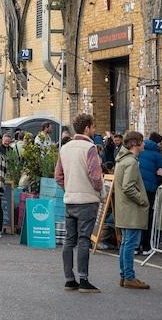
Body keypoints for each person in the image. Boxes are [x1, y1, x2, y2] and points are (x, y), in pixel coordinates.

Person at [55, 113, 103, 293]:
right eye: (93, 126)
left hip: (70, 199)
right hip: (87, 200)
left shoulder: (65, 148)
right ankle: (83, 279)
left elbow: (58, 176)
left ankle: (69, 279)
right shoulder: (89, 148)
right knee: (84, 239)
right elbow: (95, 176)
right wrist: (98, 190)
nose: (94, 129)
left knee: (69, 240)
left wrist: (68, 188)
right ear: (87, 127)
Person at [113, 131, 151, 290]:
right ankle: (129, 276)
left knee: (125, 243)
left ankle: (124, 275)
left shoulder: (122, 160)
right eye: (142, 142)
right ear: (135, 144)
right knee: (130, 244)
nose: (144, 145)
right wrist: (143, 200)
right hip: (132, 209)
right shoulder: (132, 162)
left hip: (124, 208)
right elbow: (128, 187)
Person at [138, 132, 162, 254]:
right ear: (159, 142)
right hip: (150, 189)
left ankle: (135, 246)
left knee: (137, 216)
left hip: (138, 187)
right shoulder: (157, 154)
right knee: (149, 217)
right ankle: (146, 246)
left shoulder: (140, 151)